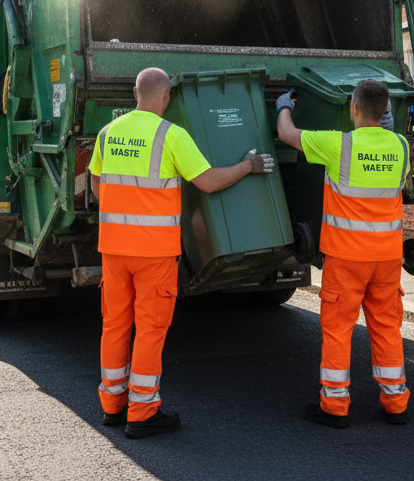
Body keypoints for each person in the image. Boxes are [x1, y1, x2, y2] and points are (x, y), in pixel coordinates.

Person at [90, 67, 275, 439]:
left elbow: (97, 186)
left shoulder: (108, 134)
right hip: (154, 253)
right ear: (167, 96)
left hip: (113, 249)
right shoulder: (170, 135)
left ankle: (113, 405)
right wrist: (248, 165)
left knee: (114, 325)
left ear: (134, 93)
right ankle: (141, 413)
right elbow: (207, 182)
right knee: (150, 329)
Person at [276, 79, 410, 428]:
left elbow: (287, 134)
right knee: (386, 326)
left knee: (338, 329)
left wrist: (283, 106)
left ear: (353, 108)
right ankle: (396, 402)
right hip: (386, 258)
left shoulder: (339, 145)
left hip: (347, 258)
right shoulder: (400, 146)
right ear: (385, 113)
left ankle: (334, 406)